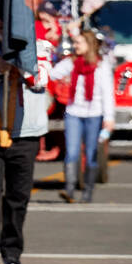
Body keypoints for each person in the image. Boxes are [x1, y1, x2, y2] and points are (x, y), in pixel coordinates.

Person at [0, 0, 52, 264]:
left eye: (6, 18)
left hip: (26, 134)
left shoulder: (40, 50)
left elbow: (40, 82)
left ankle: (12, 251)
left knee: (18, 196)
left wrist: (16, 60)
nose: (0, 23)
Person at [51, 29, 115, 203]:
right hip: (74, 113)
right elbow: (53, 73)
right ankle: (69, 189)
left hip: (94, 114)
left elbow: (108, 94)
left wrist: (109, 118)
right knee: (71, 152)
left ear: (89, 44)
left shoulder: (102, 66)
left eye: (78, 43)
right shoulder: (71, 62)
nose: (75, 46)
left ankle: (88, 190)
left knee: (91, 152)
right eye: (74, 43)